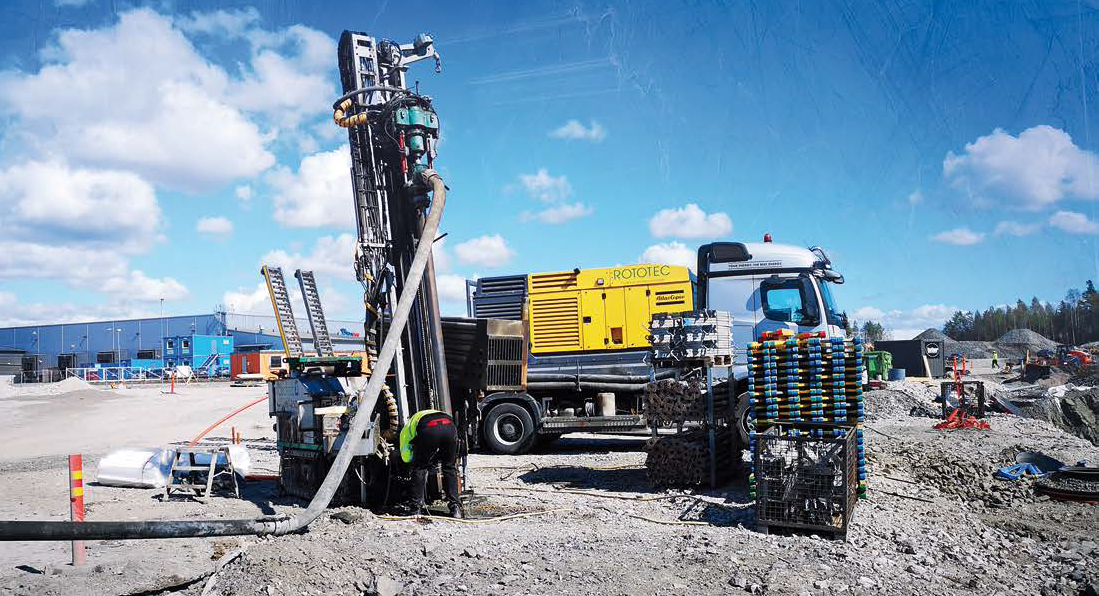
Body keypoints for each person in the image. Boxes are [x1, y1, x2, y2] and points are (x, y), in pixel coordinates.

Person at [399, 409, 464, 518]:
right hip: (449, 426)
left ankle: (416, 508)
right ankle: (455, 508)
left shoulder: (405, 431)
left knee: (420, 467)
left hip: (428, 427)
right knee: (449, 467)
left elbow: (406, 457)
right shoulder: (424, 414)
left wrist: (418, 460)